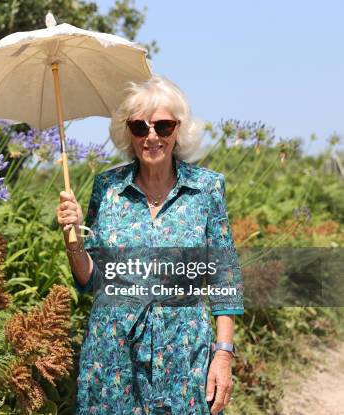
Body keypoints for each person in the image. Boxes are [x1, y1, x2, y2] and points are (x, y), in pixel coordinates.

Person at [56, 76, 244, 415]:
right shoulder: (107, 188)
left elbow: (224, 279)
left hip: (183, 353)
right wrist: (73, 238)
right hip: (112, 354)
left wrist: (223, 354)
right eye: (140, 127)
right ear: (128, 133)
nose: (152, 136)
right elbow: (92, 279)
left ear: (178, 130)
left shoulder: (207, 189)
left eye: (163, 126)